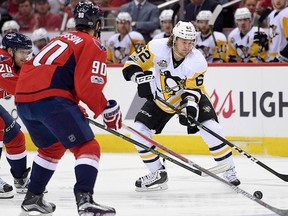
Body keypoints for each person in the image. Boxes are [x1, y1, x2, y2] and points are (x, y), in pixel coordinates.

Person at [15, 1, 121, 215]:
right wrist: (105, 107)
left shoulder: (58, 39)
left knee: (52, 147)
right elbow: (86, 87)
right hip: (52, 101)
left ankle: (33, 197)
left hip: (24, 100)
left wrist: (68, 105)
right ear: (98, 24)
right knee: (88, 147)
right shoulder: (93, 43)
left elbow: (43, 72)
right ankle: (85, 200)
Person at [122, 21, 240, 192]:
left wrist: (189, 109)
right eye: (184, 41)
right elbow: (131, 64)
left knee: (212, 128)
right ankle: (158, 173)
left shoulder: (197, 60)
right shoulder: (156, 47)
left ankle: (229, 169)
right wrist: (140, 78)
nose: (187, 46)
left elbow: (193, 91)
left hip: (192, 97)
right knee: (138, 130)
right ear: (174, 38)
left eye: (191, 41)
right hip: (161, 98)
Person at [0, 32, 33, 199]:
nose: (26, 56)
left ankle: (20, 179)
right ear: (11, 50)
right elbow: (12, 85)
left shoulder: (16, 64)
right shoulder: (2, 59)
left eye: (28, 52)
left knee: (15, 137)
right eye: (22, 52)